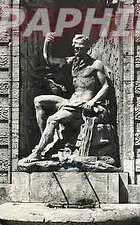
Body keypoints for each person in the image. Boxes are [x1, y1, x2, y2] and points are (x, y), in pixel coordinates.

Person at [24, 32, 111, 162]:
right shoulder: (72, 62)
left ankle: (38, 153)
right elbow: (50, 60)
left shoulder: (95, 64)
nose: (78, 51)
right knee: (39, 101)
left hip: (82, 105)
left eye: (81, 48)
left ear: (87, 48)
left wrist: (93, 101)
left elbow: (106, 86)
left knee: (52, 120)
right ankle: (48, 140)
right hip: (71, 102)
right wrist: (47, 44)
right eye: (76, 48)